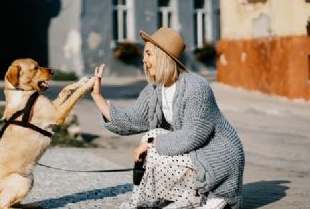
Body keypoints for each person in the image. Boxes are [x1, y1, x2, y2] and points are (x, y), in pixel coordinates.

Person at [90, 27, 244, 209]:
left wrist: (151, 144)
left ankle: (213, 195)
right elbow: (129, 121)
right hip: (193, 153)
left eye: (148, 54)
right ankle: (141, 203)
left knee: (152, 144)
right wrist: (97, 96)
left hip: (217, 157)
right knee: (151, 137)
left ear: (163, 56)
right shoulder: (155, 90)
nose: (143, 59)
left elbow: (193, 135)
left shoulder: (196, 87)